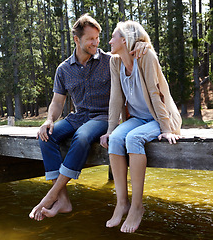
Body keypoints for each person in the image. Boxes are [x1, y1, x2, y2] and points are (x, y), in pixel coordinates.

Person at [29, 14, 149, 221]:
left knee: (82, 137)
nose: (96, 43)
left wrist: (143, 46)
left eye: (97, 38)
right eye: (90, 39)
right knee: (46, 136)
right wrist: (49, 120)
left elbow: (135, 51)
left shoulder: (111, 61)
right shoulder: (63, 69)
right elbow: (58, 102)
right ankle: (63, 199)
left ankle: (51, 195)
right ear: (77, 40)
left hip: (102, 118)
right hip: (77, 117)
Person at [100, 20, 182, 233]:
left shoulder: (146, 56)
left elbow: (156, 94)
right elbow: (115, 99)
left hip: (158, 117)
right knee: (117, 139)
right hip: (136, 119)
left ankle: (137, 207)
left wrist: (166, 129)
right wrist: (110, 129)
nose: (109, 41)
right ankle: (122, 203)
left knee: (133, 139)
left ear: (125, 39)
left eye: (114, 36)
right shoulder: (115, 62)